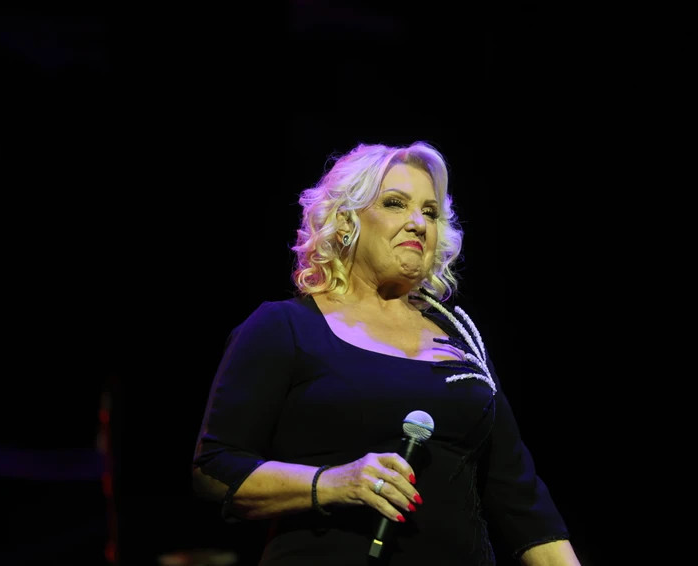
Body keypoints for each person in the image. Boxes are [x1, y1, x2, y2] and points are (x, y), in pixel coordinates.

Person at [191, 140, 583, 566]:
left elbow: (522, 502)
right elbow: (215, 469)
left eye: (430, 212)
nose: (418, 223)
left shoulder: (461, 341)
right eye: (396, 204)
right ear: (346, 221)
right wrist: (335, 482)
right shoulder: (285, 328)